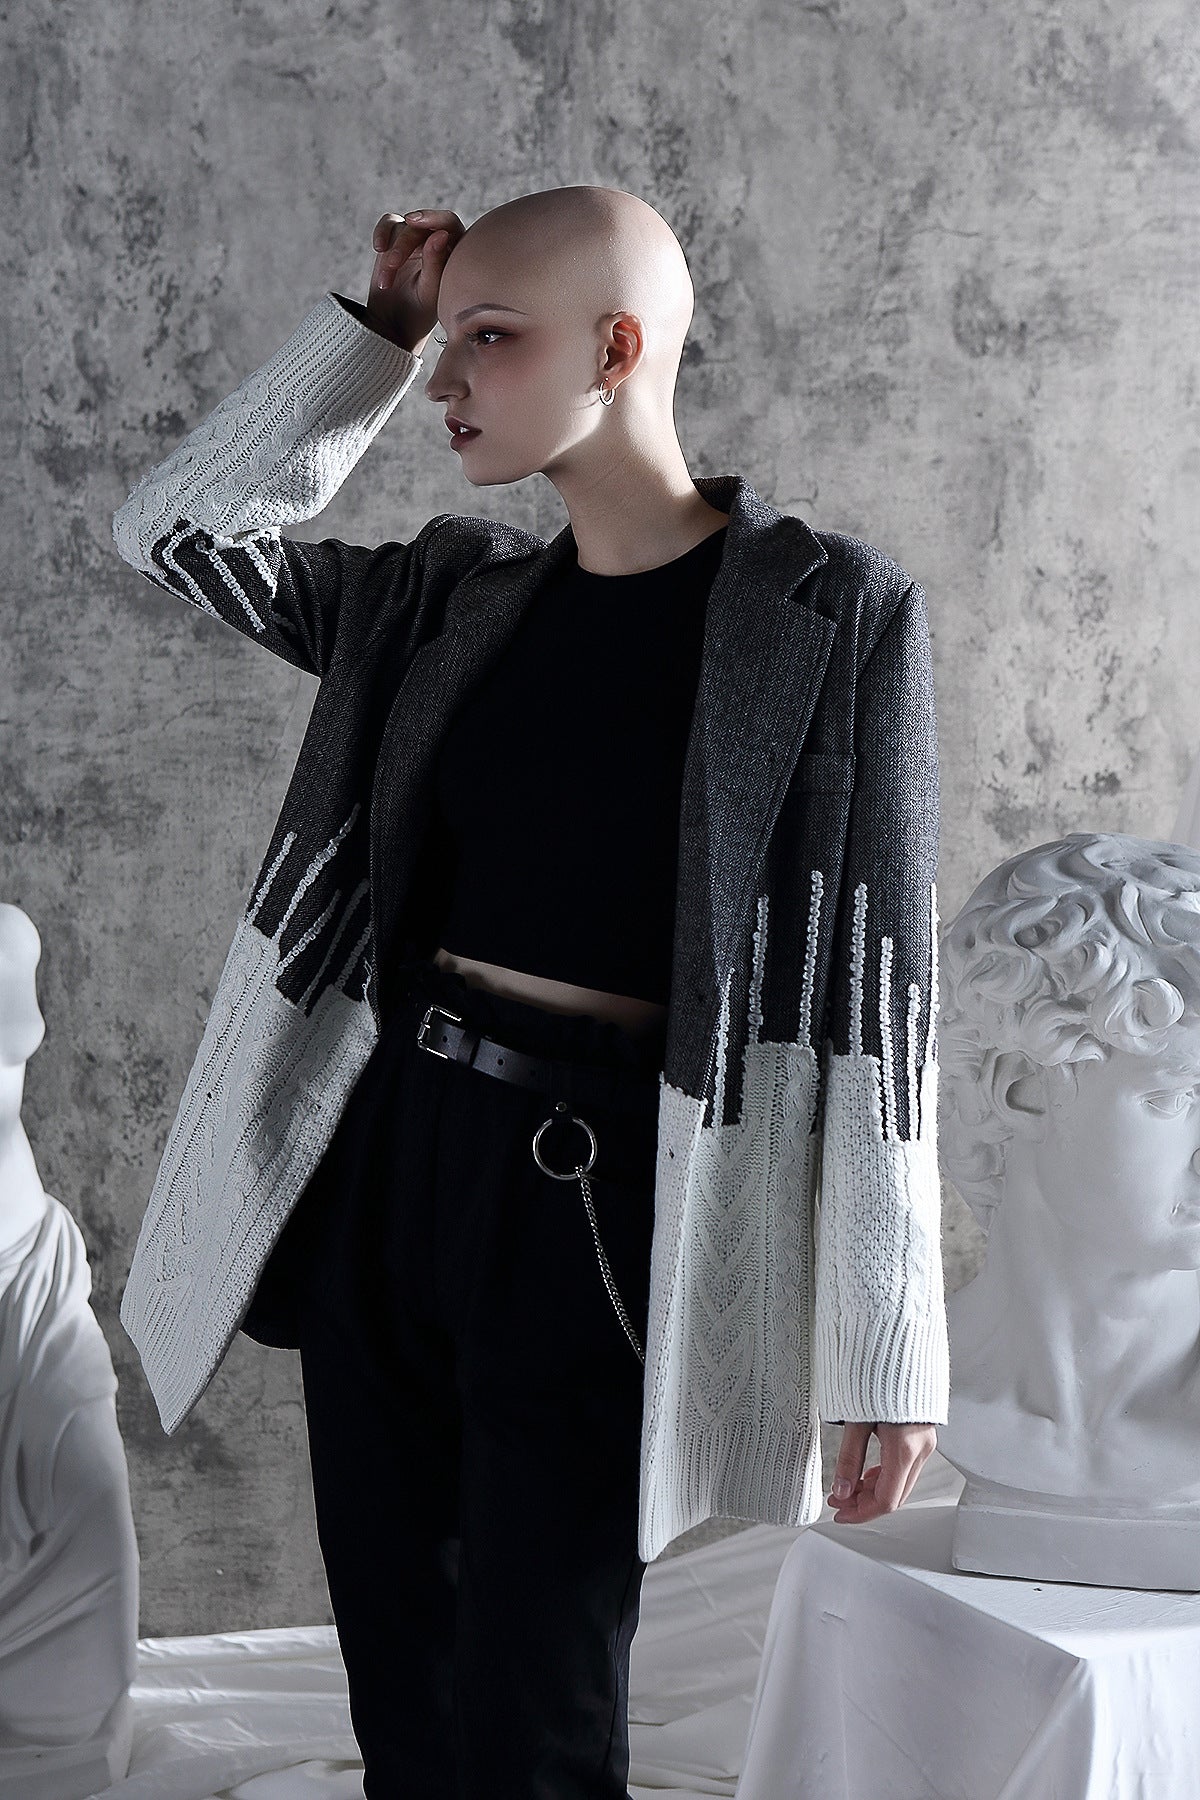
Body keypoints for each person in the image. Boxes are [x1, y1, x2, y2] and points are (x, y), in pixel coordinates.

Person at [111, 185, 948, 1799]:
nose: (447, 382)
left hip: (601, 1190)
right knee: (404, 1677)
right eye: (446, 343)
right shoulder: (445, 594)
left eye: (488, 340)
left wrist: (886, 1346)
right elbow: (177, 535)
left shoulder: (827, 613)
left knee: (540, 1695)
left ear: (619, 350)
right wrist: (371, 338)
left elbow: (880, 988)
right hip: (388, 1152)